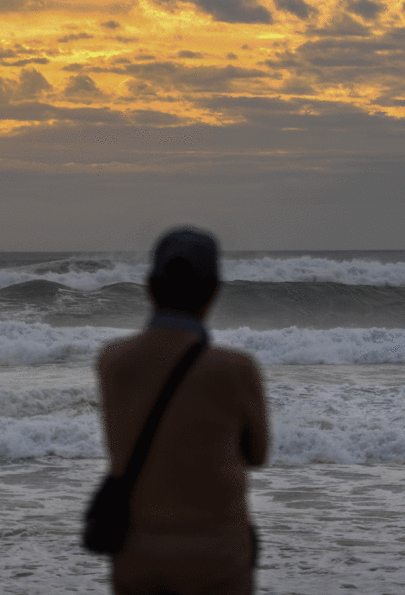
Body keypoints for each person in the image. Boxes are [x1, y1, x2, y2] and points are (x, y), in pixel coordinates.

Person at [96, 227, 270, 595]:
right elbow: (257, 454)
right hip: (218, 557)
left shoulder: (113, 363)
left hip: (138, 556)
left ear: (149, 286)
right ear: (214, 292)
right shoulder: (237, 369)